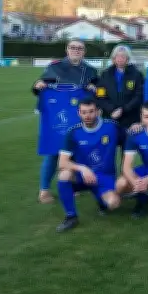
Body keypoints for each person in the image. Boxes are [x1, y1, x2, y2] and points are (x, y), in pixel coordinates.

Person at [33, 39, 98, 204]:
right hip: (57, 119)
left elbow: (99, 91)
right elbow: (40, 85)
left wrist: (95, 89)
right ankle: (44, 190)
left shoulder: (90, 71)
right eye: (73, 47)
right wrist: (38, 85)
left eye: (80, 48)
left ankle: (71, 186)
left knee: (77, 151)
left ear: (84, 52)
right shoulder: (54, 67)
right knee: (54, 153)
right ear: (67, 49)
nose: (76, 50)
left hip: (80, 117)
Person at [55, 98, 122, 232]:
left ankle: (100, 198)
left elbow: (129, 142)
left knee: (113, 204)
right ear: (79, 113)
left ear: (98, 112)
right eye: (84, 112)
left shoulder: (112, 126)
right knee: (64, 175)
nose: (88, 115)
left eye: (91, 111)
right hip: (82, 175)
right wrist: (82, 168)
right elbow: (62, 163)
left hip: (105, 175)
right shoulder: (73, 132)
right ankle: (71, 217)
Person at [95, 45, 144, 131]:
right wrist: (112, 109)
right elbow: (100, 95)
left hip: (131, 118)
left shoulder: (137, 75)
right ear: (113, 58)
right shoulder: (105, 74)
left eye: (123, 56)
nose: (120, 58)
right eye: (117, 56)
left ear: (128, 59)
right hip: (110, 116)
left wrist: (123, 109)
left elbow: (138, 96)